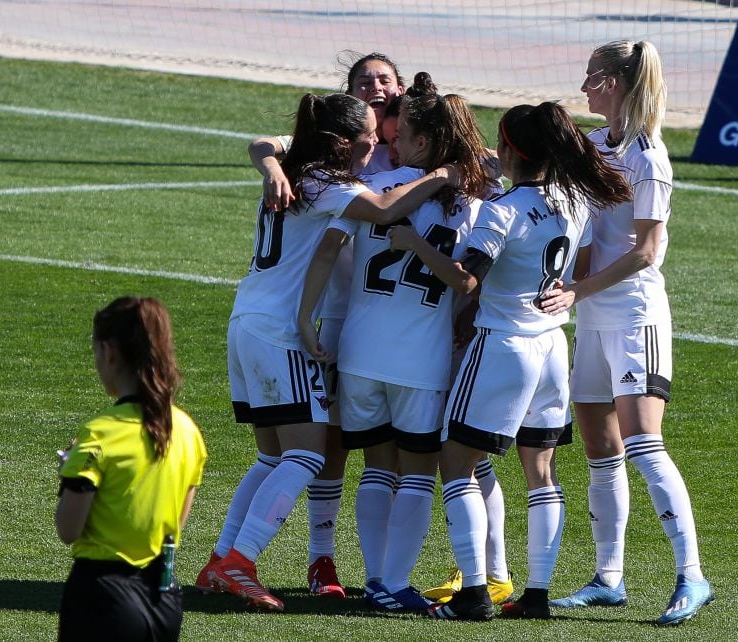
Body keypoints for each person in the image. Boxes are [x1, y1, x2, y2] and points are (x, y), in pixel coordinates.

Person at [194, 92, 459, 612]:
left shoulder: (299, 166)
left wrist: (268, 162)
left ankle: (221, 558)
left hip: (247, 320)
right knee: (308, 453)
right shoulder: (327, 186)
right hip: (277, 334)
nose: (373, 149)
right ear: (342, 142)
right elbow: (386, 208)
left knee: (272, 455)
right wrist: (443, 175)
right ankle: (239, 561)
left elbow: (264, 145)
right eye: (366, 142)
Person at [390, 102, 630, 621]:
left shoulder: (503, 211)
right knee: (541, 473)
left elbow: (465, 279)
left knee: (456, 464)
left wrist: (413, 245)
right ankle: (537, 594)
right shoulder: (573, 197)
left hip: (503, 346)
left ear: (513, 149)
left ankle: (474, 593)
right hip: (550, 348)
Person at [297, 74, 498, 614]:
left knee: (377, 469)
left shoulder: (379, 191)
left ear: (426, 143)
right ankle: (392, 582)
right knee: (416, 473)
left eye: (403, 133)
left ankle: (376, 580)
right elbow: (470, 279)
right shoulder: (466, 204)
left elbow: (329, 246)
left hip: (361, 349)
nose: (392, 140)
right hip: (420, 355)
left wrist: (304, 316)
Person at [539, 40, 715, 626]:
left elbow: (645, 251)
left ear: (614, 82)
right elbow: (587, 231)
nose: (584, 85)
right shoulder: (595, 146)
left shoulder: (649, 158)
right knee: (599, 450)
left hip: (636, 316)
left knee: (643, 444)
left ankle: (692, 575)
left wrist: (577, 290)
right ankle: (608, 578)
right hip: (591, 320)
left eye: (592, 75)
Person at [244, 52, 406, 599]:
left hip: (377, 317)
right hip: (321, 316)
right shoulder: (331, 157)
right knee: (322, 442)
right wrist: (269, 165)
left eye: (384, 79)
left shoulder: (408, 141)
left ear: (400, 87)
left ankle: (232, 557)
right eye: (364, 81)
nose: (375, 88)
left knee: (380, 446)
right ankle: (320, 561)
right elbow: (264, 145)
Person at [56, 296, 207, 642]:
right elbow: (174, 524)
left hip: (103, 597)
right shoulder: (187, 431)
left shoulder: (99, 433)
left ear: (109, 351)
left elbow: (69, 529)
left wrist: (69, 479)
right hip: (164, 597)